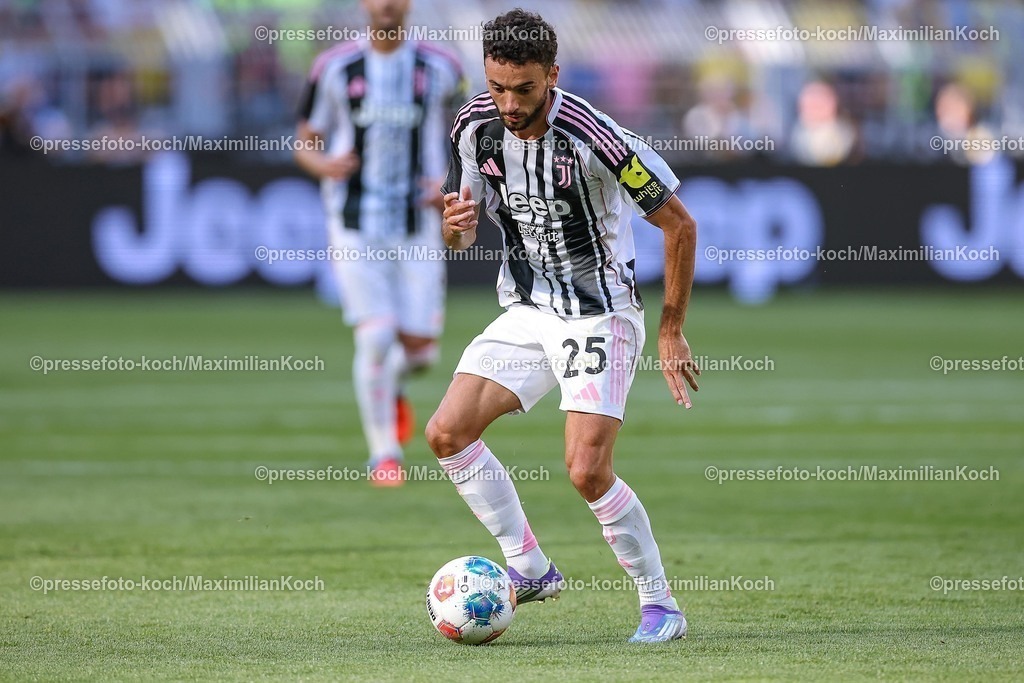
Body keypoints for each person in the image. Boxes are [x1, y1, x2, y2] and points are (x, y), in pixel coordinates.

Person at [425, 9, 700, 642]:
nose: (509, 104)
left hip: (600, 313)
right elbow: (458, 234)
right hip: (527, 308)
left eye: (523, 89)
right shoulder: (472, 127)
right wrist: (454, 230)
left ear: (552, 74)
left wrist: (670, 328)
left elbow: (679, 224)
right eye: (497, 87)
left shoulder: (598, 138)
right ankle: (529, 567)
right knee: (446, 434)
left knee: (586, 470)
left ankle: (661, 605)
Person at [294, 0, 465, 485]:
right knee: (375, 335)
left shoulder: (443, 67)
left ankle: (388, 386)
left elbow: (475, 134)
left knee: (422, 354)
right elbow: (305, 139)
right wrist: (323, 164)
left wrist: (449, 182)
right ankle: (384, 455)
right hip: (355, 221)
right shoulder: (334, 66)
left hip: (418, 224)